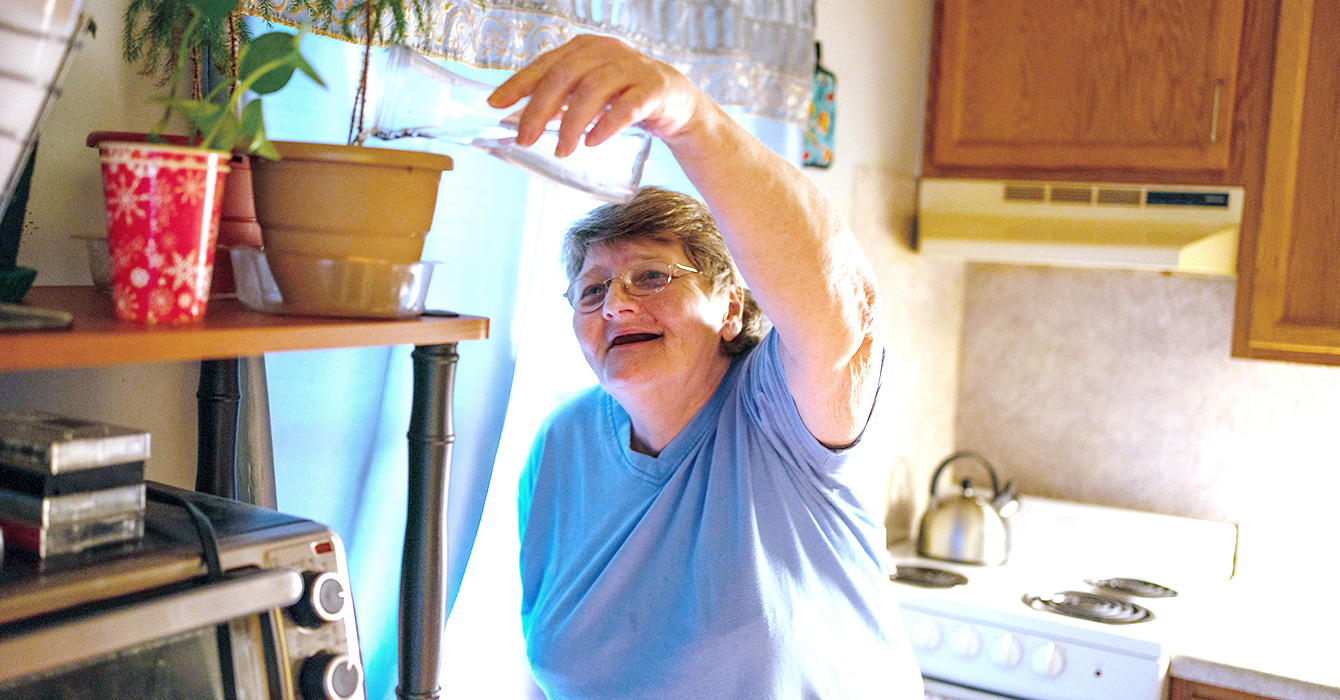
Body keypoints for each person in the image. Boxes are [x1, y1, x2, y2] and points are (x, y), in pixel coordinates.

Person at [490, 35, 923, 698]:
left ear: (731, 307)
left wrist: (689, 119)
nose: (615, 305)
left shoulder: (779, 416)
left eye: (652, 275)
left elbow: (845, 315)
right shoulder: (563, 443)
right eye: (592, 289)